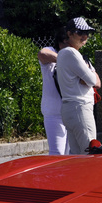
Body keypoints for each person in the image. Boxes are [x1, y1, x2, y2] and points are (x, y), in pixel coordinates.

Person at [57, 17, 101, 155]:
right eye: (80, 32)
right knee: (91, 153)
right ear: (69, 34)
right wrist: (90, 73)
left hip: (70, 108)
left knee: (76, 157)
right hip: (80, 107)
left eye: (87, 32)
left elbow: (94, 81)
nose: (85, 36)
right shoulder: (71, 53)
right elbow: (94, 80)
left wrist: (89, 76)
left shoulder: (64, 53)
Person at [38, 27, 70, 155]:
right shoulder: (52, 52)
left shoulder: (78, 56)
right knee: (57, 154)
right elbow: (42, 54)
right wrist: (66, 60)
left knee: (71, 155)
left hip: (71, 112)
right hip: (54, 112)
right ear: (62, 41)